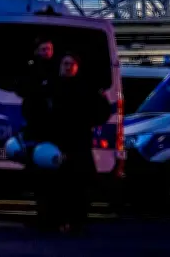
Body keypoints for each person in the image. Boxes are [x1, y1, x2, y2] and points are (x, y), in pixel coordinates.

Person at [21, 52, 112, 233]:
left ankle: (74, 221)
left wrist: (88, 121)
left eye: (71, 63)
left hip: (77, 145)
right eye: (65, 63)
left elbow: (102, 110)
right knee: (49, 184)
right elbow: (32, 107)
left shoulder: (85, 88)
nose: (68, 66)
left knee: (76, 185)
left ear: (77, 67)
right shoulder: (49, 86)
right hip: (52, 143)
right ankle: (49, 219)